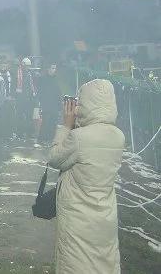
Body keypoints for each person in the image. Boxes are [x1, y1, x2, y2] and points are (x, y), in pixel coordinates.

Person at [49, 79, 124, 274]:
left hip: (78, 217)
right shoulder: (118, 135)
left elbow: (55, 159)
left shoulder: (79, 138)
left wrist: (66, 126)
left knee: (76, 263)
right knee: (102, 262)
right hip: (105, 213)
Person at [38, 63, 61, 145]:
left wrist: (59, 106)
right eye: (52, 68)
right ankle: (42, 139)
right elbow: (40, 93)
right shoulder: (43, 79)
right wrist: (41, 104)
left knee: (53, 123)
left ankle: (51, 139)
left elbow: (58, 93)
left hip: (54, 105)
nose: (54, 70)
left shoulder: (55, 79)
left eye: (55, 68)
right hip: (46, 105)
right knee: (45, 123)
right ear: (48, 69)